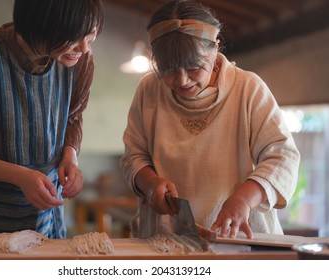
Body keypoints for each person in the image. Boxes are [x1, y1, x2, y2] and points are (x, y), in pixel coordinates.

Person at [120, 0, 300, 239]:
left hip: (238, 237)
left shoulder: (248, 88)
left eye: (194, 67)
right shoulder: (148, 89)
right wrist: (150, 183)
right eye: (169, 70)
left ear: (215, 49)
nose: (182, 80)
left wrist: (244, 199)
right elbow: (133, 155)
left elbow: (283, 157)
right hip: (166, 239)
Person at [0, 0, 104, 239]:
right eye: (74, 38)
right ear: (41, 24)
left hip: (43, 219)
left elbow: (73, 115)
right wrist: (19, 176)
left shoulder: (79, 60)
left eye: (91, 37)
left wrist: (71, 154)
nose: (84, 48)